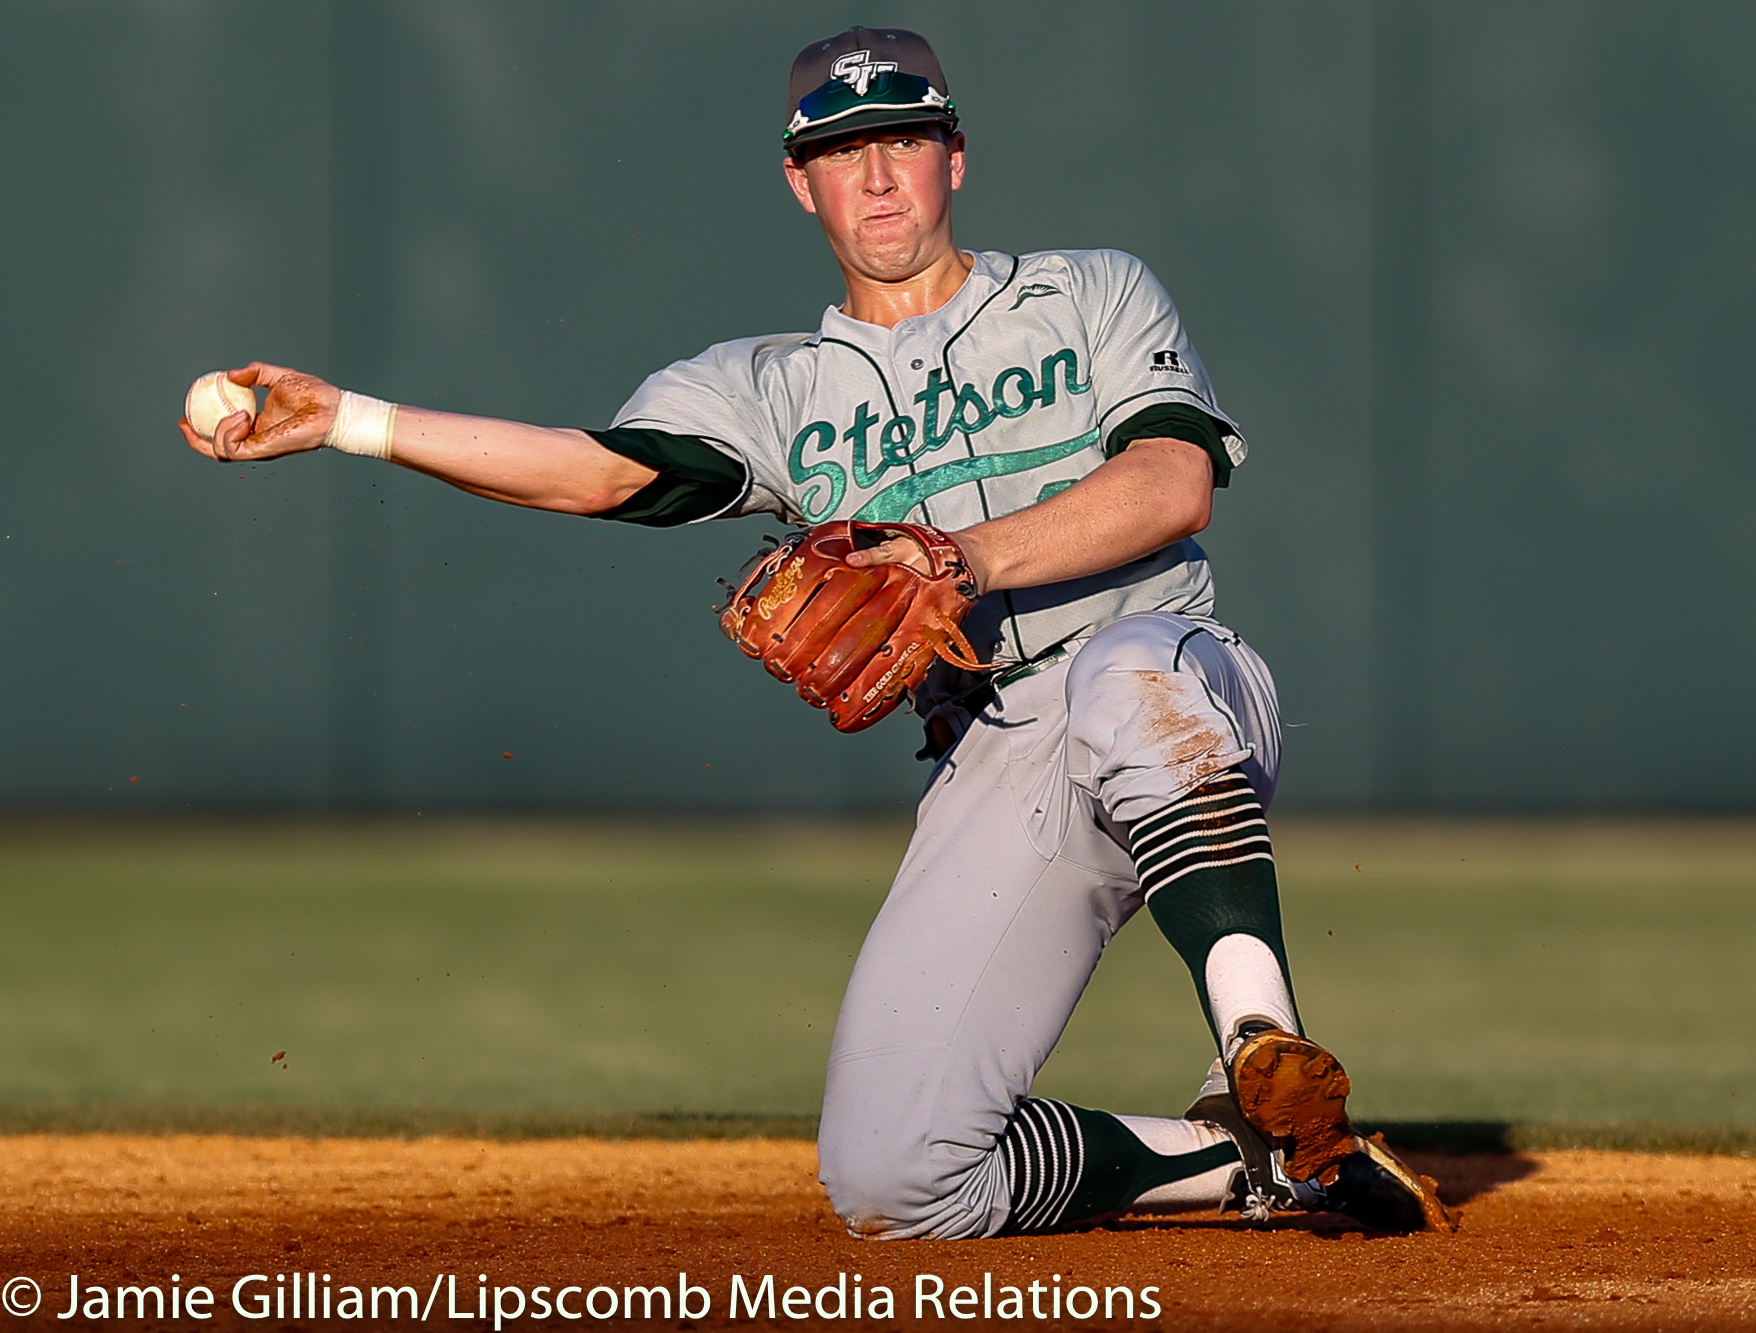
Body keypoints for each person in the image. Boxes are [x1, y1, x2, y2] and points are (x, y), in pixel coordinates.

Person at [178, 26, 1446, 1240]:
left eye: (901, 137)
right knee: (893, 1178)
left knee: (1124, 682)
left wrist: (957, 557)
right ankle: (1255, 1158)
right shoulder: (767, 389)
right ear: (800, 183)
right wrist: (346, 418)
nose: (876, 172)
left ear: (955, 155)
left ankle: (1261, 1041)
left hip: (1172, 679)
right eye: (842, 149)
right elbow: (592, 469)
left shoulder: (1088, 292)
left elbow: (1173, 481)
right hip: (994, 746)